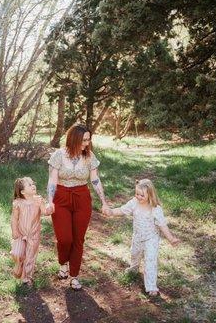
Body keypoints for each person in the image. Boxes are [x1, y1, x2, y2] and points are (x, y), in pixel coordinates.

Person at [47, 124, 110, 290]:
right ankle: (63, 263)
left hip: (82, 198)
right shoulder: (58, 155)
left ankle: (74, 275)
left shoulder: (89, 156)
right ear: (74, 139)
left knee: (78, 239)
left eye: (89, 140)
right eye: (84, 140)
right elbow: (52, 180)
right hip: (61, 197)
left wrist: (103, 201)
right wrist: (50, 201)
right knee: (64, 238)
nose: (87, 143)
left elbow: (95, 180)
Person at [105, 178, 180, 296]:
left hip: (151, 238)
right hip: (138, 236)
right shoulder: (134, 203)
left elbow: (162, 225)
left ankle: (151, 286)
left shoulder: (156, 209)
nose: (139, 197)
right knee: (135, 254)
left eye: (142, 195)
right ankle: (134, 268)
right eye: (137, 194)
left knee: (150, 260)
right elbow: (122, 210)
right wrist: (111, 212)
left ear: (150, 195)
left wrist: (171, 238)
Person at [10, 176, 52, 285]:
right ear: (23, 191)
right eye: (29, 184)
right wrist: (14, 231)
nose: (33, 185)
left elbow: (44, 212)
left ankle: (26, 278)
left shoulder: (38, 200)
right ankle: (19, 263)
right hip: (20, 234)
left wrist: (49, 207)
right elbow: (14, 218)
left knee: (30, 257)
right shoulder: (18, 203)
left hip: (34, 234)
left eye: (33, 183)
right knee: (17, 253)